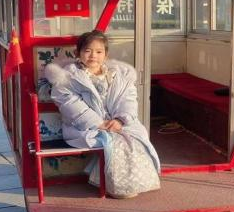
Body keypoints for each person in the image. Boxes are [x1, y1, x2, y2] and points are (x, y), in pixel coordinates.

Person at [45, 30, 160, 199]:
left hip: (117, 121)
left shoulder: (119, 76)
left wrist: (121, 119)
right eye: (88, 51)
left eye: (99, 52)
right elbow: (69, 104)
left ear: (106, 54)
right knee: (114, 143)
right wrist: (98, 123)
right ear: (78, 53)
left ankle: (136, 181)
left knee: (136, 138)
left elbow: (128, 99)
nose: (93, 56)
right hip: (85, 126)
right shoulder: (68, 78)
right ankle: (115, 186)